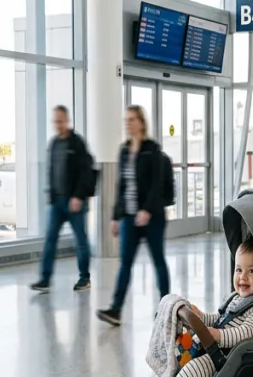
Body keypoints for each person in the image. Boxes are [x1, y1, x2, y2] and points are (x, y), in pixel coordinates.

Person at [127, 238, 253, 377]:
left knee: (193, 368)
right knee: (177, 356)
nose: (243, 277)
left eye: (252, 271)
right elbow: (220, 318)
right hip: (214, 348)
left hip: (227, 361)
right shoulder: (237, 297)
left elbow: (247, 332)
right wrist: (201, 317)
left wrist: (218, 335)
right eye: (239, 269)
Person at [97, 105, 174, 327]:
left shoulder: (153, 150)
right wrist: (115, 216)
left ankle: (165, 308)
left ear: (141, 122)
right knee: (125, 264)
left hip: (153, 218)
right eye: (126, 119)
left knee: (158, 261)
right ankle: (116, 309)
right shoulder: (124, 151)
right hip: (129, 218)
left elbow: (157, 185)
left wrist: (147, 210)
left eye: (132, 119)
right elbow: (121, 187)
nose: (128, 123)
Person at [31, 105, 94, 293]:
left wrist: (78, 196)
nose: (57, 124)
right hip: (57, 202)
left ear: (67, 121)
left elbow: (86, 173)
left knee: (80, 240)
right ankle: (45, 279)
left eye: (60, 121)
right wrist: (51, 196)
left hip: (75, 202)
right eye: (55, 121)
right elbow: (51, 171)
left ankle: (85, 278)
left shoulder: (77, 144)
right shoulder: (54, 144)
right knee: (50, 239)